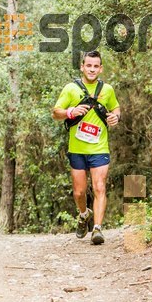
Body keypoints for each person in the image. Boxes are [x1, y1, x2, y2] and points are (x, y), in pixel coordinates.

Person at [52, 50, 121, 245]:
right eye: (88, 65)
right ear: (82, 67)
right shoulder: (71, 89)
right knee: (79, 192)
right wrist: (70, 111)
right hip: (77, 149)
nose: (92, 69)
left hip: (99, 148)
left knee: (100, 187)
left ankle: (97, 229)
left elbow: (116, 108)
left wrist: (116, 116)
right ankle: (84, 215)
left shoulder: (107, 90)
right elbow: (55, 113)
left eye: (95, 66)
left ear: (101, 68)